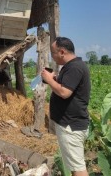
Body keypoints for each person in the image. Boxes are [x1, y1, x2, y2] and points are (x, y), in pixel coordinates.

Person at [41, 37, 90, 176]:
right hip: (71, 123)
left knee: (78, 169)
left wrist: (50, 80)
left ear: (62, 52)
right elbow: (67, 87)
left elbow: (64, 92)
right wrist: (55, 79)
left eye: (53, 53)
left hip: (71, 126)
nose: (53, 57)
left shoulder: (74, 67)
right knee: (75, 166)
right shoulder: (72, 66)